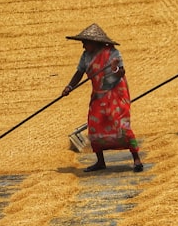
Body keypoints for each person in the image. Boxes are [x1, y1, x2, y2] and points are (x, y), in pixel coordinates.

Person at [61, 23, 144, 172]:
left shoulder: (112, 53)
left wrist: (115, 68)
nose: (83, 46)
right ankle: (100, 161)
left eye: (85, 43)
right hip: (99, 95)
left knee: (122, 126)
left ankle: (136, 159)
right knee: (95, 127)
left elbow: (121, 72)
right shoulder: (86, 56)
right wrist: (69, 87)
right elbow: (79, 72)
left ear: (95, 42)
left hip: (115, 94)